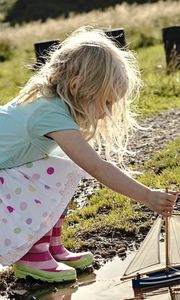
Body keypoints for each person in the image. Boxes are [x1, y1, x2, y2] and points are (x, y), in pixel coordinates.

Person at [0, 26, 178, 283]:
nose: (106, 113)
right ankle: (32, 256)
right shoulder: (49, 113)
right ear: (76, 86)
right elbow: (97, 167)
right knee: (60, 172)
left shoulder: (52, 101)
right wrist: (147, 196)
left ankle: (50, 246)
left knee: (63, 170)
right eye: (105, 102)